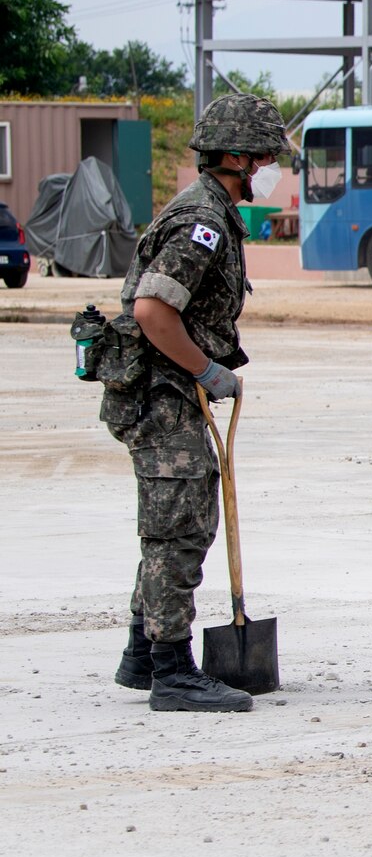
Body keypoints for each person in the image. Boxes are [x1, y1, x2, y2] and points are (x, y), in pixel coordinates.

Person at [106, 93, 288, 713]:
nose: (267, 168)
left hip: (172, 392)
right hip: (164, 395)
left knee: (172, 524)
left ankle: (141, 653)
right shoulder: (199, 223)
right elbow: (153, 311)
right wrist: (206, 369)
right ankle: (172, 670)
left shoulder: (213, 212)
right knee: (179, 529)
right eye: (262, 157)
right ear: (233, 156)